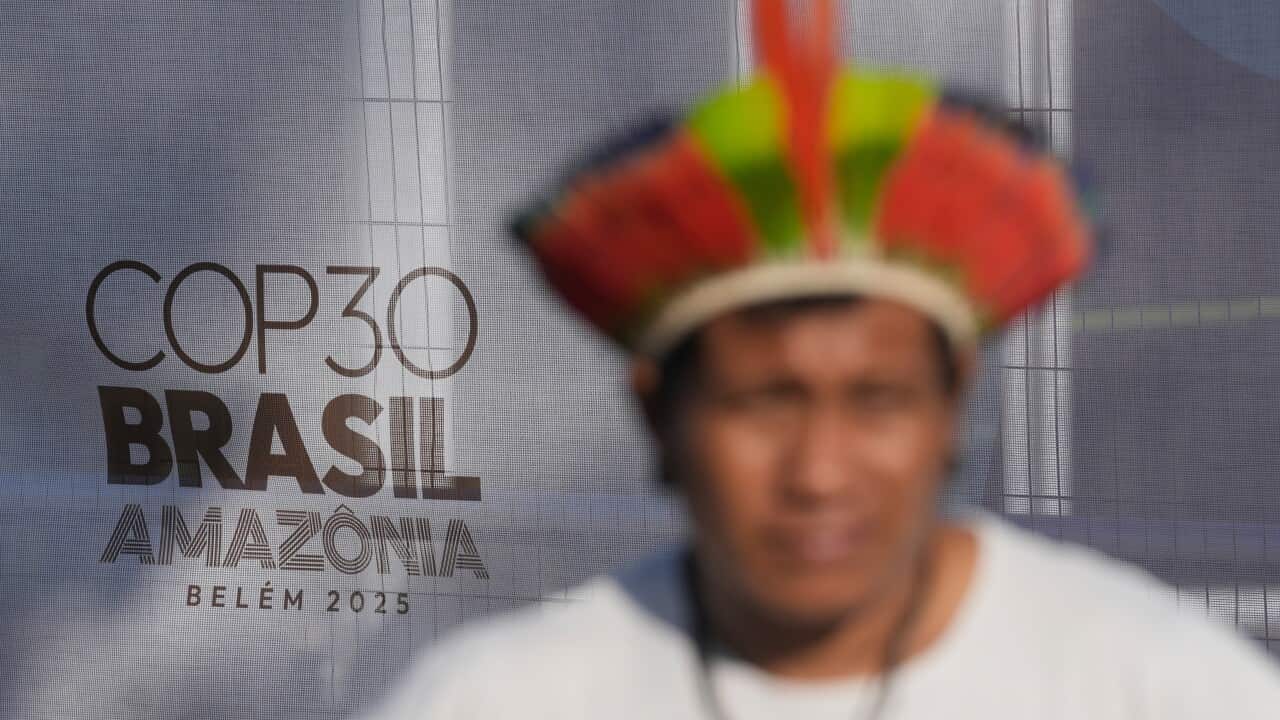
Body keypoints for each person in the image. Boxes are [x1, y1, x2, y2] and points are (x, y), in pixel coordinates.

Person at [363, 1, 1280, 717]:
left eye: (878, 400)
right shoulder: (498, 700)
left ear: (954, 401)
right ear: (657, 412)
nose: (819, 473)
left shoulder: (1156, 687)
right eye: (764, 401)